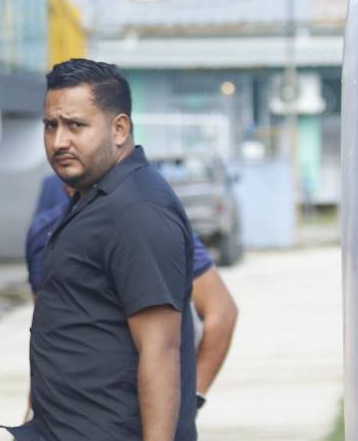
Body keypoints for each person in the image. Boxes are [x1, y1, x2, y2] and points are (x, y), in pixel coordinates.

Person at [8, 59, 195, 441]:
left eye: (75, 125)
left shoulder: (134, 209)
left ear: (119, 128)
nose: (59, 140)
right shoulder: (101, 199)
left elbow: (162, 349)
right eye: (50, 125)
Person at [26, 174, 239, 409]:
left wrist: (192, 398)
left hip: (132, 413)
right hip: (68, 414)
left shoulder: (150, 221)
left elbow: (221, 311)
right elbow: (47, 337)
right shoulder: (42, 234)